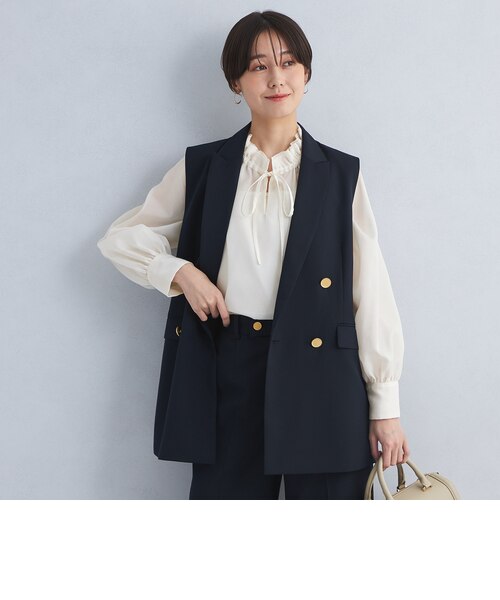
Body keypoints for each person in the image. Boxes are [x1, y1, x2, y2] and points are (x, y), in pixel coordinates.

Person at [97, 10, 409, 499]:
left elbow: (370, 291)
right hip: (229, 370)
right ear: (236, 82)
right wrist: (182, 274)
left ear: (306, 73)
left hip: (323, 377)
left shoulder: (340, 174)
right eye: (258, 66)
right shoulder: (204, 167)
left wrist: (385, 406)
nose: (276, 78)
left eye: (288, 63)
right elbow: (122, 238)